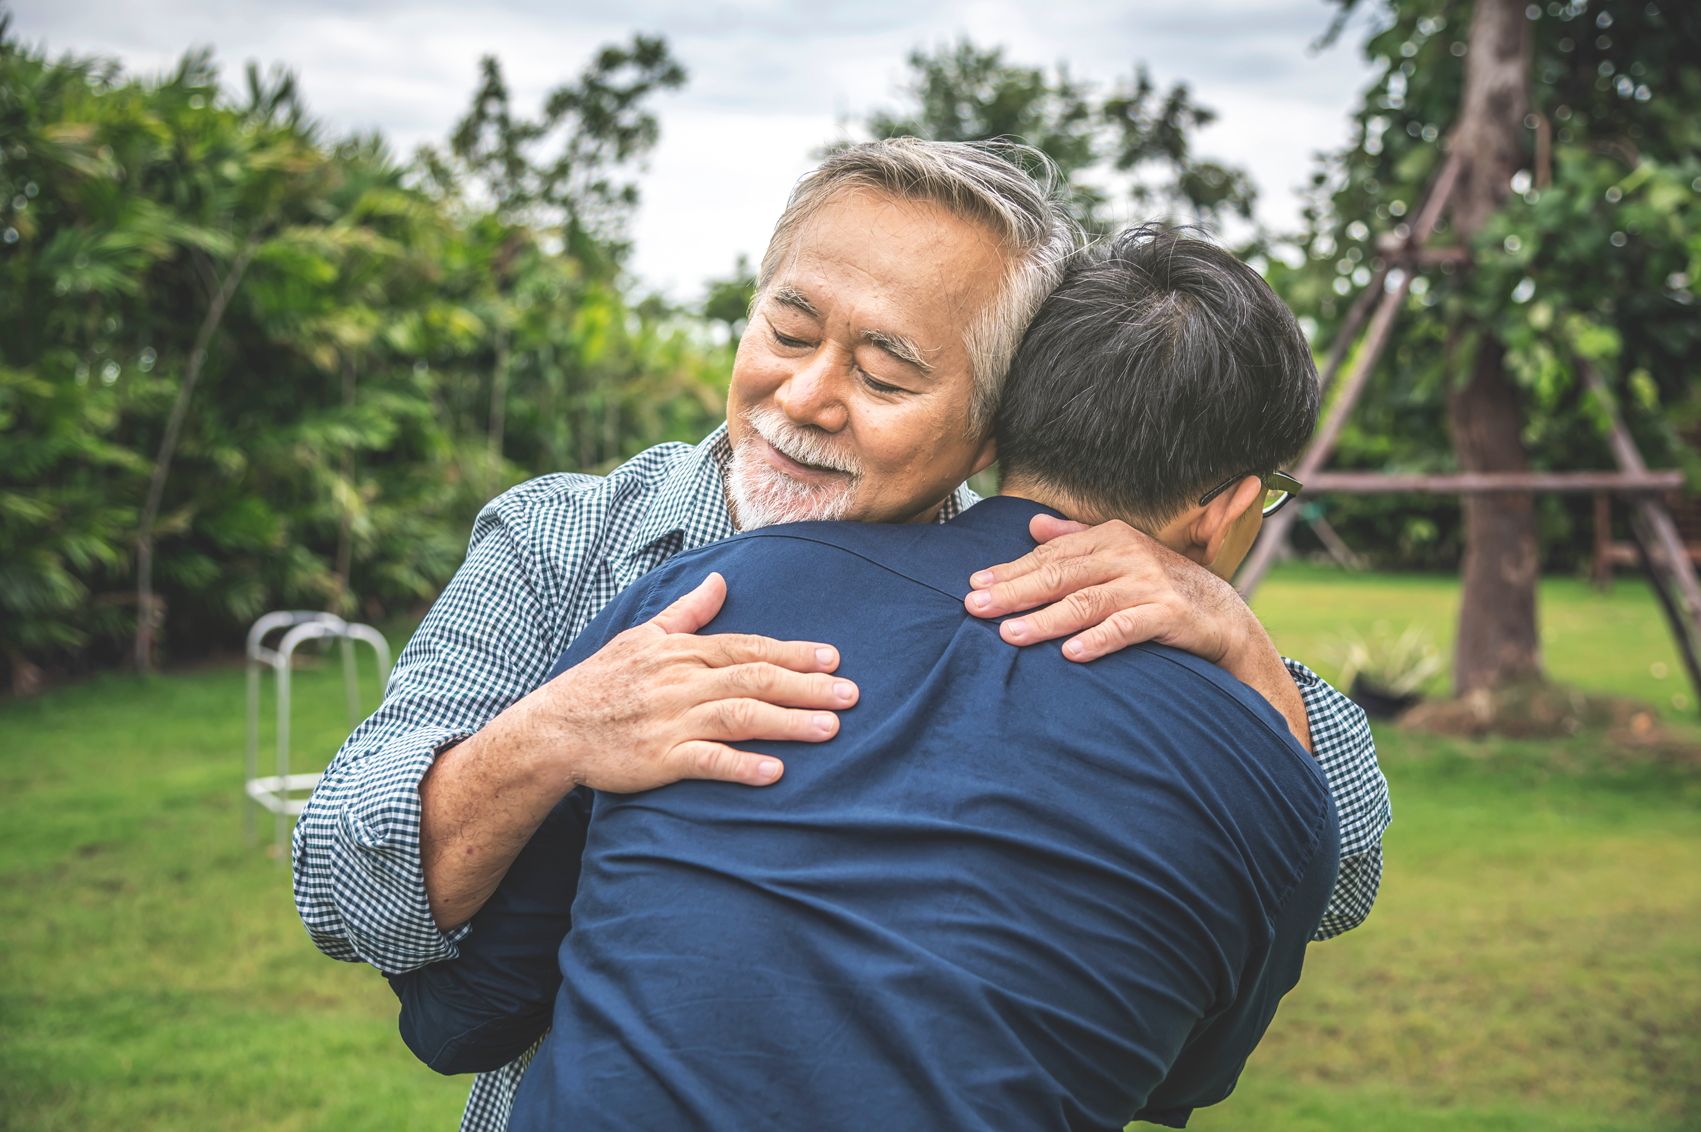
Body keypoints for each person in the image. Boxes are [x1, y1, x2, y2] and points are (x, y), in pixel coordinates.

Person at [294, 139, 1387, 1126]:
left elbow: (1336, 870)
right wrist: (554, 733)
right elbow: (341, 880)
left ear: (990, 427)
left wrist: (1234, 636)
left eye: (884, 372)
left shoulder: (1069, 601)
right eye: (788, 328)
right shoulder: (564, 539)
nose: (807, 394)